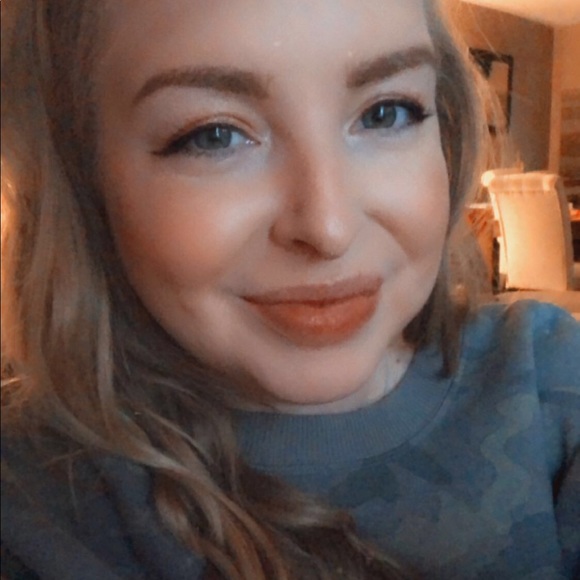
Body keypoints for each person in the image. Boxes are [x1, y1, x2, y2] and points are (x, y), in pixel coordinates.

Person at [1, 0, 578, 578]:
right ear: (84, 180)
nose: (329, 229)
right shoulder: (39, 502)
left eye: (386, 114)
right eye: (214, 136)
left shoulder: (550, 380)